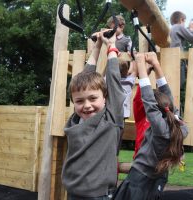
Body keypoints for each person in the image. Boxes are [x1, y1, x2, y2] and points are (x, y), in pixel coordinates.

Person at [114, 52, 188, 200]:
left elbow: (148, 99)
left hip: (139, 180)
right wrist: (156, 65)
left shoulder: (160, 128)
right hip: (159, 178)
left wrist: (141, 66)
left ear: (154, 112)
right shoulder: (181, 125)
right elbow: (168, 97)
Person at [61, 30, 125, 200]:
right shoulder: (75, 121)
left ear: (105, 98)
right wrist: (97, 46)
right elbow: (83, 78)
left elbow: (115, 85)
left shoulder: (110, 119)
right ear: (74, 102)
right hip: (73, 193)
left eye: (93, 98)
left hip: (99, 196)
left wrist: (111, 48)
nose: (87, 105)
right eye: (80, 101)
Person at [170, 11, 193, 89]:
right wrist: (191, 29)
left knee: (175, 83)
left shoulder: (172, 28)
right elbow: (192, 38)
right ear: (181, 20)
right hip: (178, 58)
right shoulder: (179, 27)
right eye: (184, 21)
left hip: (172, 58)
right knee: (180, 83)